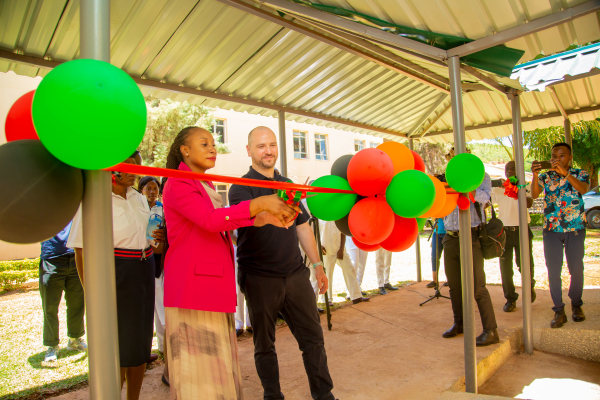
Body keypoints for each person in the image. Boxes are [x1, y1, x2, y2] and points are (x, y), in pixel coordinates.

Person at [162, 126, 298, 400]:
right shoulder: (178, 183)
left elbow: (224, 222)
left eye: (213, 143)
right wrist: (260, 204)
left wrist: (268, 216)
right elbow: (211, 221)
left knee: (217, 369)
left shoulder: (205, 184)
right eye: (204, 143)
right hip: (193, 289)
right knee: (200, 376)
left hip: (210, 285)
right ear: (185, 151)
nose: (213, 148)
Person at [229, 126, 335, 400]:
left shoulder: (288, 183)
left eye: (272, 145)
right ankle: (272, 396)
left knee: (313, 339)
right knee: (265, 344)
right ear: (249, 150)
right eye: (262, 146)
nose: (268, 151)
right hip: (259, 277)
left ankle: (324, 395)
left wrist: (318, 265)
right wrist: (274, 205)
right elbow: (255, 220)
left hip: (295, 275)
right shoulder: (240, 187)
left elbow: (302, 227)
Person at [68, 157, 163, 400]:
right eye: (127, 164)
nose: (133, 170)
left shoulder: (139, 197)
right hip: (116, 273)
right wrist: (90, 291)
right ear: (111, 167)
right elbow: (81, 250)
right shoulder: (93, 199)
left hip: (144, 271)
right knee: (119, 347)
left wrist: (159, 240)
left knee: (141, 344)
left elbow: (151, 240)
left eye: (136, 164)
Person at [531, 142, 589, 328]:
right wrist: (534, 175)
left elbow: (583, 189)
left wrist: (566, 175)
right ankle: (558, 310)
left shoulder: (581, 174)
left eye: (562, 156)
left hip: (576, 229)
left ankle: (576, 305)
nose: (557, 159)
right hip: (551, 231)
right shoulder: (546, 176)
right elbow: (533, 194)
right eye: (554, 156)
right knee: (553, 272)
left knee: (576, 270)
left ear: (570, 157)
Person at [442, 168, 499, 347]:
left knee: (477, 287)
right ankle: (460, 324)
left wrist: (465, 186)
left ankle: (491, 331)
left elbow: (484, 198)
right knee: (454, 285)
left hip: (471, 236)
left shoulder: (480, 176)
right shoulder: (449, 177)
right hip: (450, 237)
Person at [490, 161, 536, 313]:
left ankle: (529, 287)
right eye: (507, 168)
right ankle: (510, 299)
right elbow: (486, 200)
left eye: (512, 168)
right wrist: (497, 185)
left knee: (525, 265)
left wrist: (517, 187)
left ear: (519, 170)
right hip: (504, 233)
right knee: (505, 268)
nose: (509, 170)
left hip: (522, 230)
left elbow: (529, 203)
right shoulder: (499, 188)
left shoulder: (525, 186)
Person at [39, 222, 86, 362]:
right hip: (51, 258)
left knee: (77, 302)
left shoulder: (73, 204)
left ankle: (75, 339)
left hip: (74, 255)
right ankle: (52, 345)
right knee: (50, 306)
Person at [138, 176, 166, 378]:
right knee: (144, 310)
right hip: (138, 262)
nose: (152, 191)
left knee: (161, 308)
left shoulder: (162, 210)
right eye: (148, 188)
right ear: (140, 191)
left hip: (159, 261)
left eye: (155, 188)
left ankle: (164, 347)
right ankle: (143, 352)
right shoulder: (136, 209)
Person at [320, 220, 369, 305]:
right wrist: (319, 245)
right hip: (326, 251)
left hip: (340, 250)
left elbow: (342, 232)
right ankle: (327, 299)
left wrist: (342, 248)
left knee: (350, 269)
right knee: (328, 274)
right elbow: (314, 232)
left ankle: (356, 296)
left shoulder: (338, 216)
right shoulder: (319, 217)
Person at [426, 218, 448, 288]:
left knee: (448, 258)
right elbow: (433, 217)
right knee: (434, 257)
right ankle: (435, 281)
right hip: (436, 232)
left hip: (447, 233)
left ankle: (450, 280)